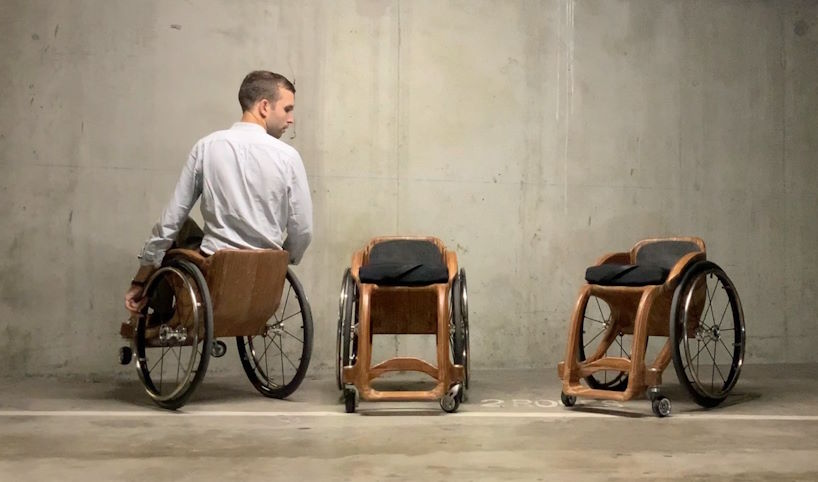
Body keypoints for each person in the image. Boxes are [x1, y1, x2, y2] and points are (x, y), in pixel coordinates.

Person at [123, 70, 313, 321]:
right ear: (264, 106)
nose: (291, 119)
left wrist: (143, 275)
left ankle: (161, 316)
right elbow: (303, 230)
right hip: (266, 274)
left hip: (215, 271)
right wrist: (282, 261)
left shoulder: (207, 147)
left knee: (177, 229)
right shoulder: (288, 157)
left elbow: (171, 219)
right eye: (287, 109)